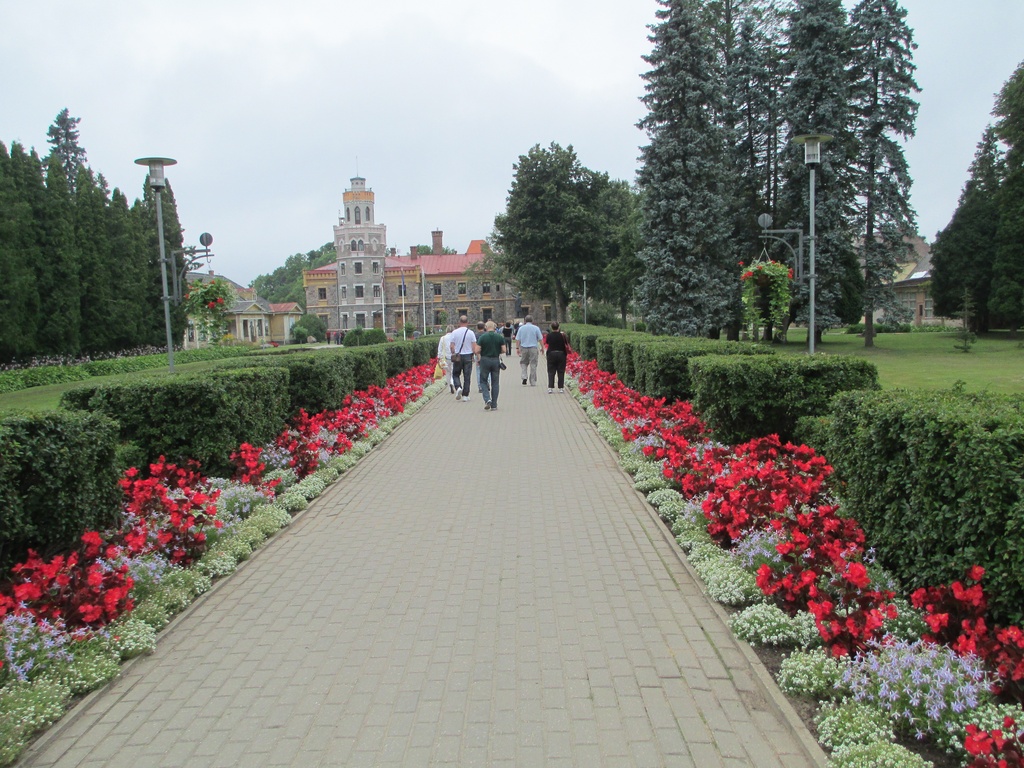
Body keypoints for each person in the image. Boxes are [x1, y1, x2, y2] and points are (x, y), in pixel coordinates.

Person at [475, 320, 504, 410]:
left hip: (485, 360)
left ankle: (487, 399)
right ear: (495, 327)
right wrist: (497, 351)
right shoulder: (499, 337)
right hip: (495, 360)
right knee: (495, 383)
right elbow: (504, 350)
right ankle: (494, 405)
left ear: (486, 327)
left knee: (483, 381)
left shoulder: (483, 337)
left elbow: (476, 350)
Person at [449, 315, 477, 401]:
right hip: (468, 356)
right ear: (467, 322)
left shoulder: (454, 332)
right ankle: (465, 395)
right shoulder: (471, 332)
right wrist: (474, 355)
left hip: (458, 356)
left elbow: (451, 346)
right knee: (467, 376)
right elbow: (474, 346)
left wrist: (454, 353)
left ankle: (458, 387)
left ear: (459, 322)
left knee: (456, 374)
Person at [515, 314, 544, 386]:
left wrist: (517, 348)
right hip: (533, 348)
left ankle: (524, 376)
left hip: (524, 348)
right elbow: (540, 339)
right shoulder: (536, 328)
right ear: (532, 321)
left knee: (523, 362)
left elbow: (518, 339)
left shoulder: (521, 328)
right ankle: (533, 381)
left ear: (525, 321)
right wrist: (542, 348)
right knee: (533, 364)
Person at [544, 321, 569, 393]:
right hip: (561, 354)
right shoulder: (562, 335)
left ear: (551, 328)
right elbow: (566, 343)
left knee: (551, 371)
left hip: (551, 354)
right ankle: (561, 388)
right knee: (561, 371)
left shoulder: (549, 335)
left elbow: (547, 342)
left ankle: (550, 387)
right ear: (559, 327)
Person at [437, 324, 455, 393]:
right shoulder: (454, 337)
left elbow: (440, 348)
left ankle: (449, 387)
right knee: (453, 371)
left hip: (445, 358)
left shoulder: (443, 338)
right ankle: (452, 383)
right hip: (454, 357)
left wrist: (439, 357)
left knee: (448, 372)